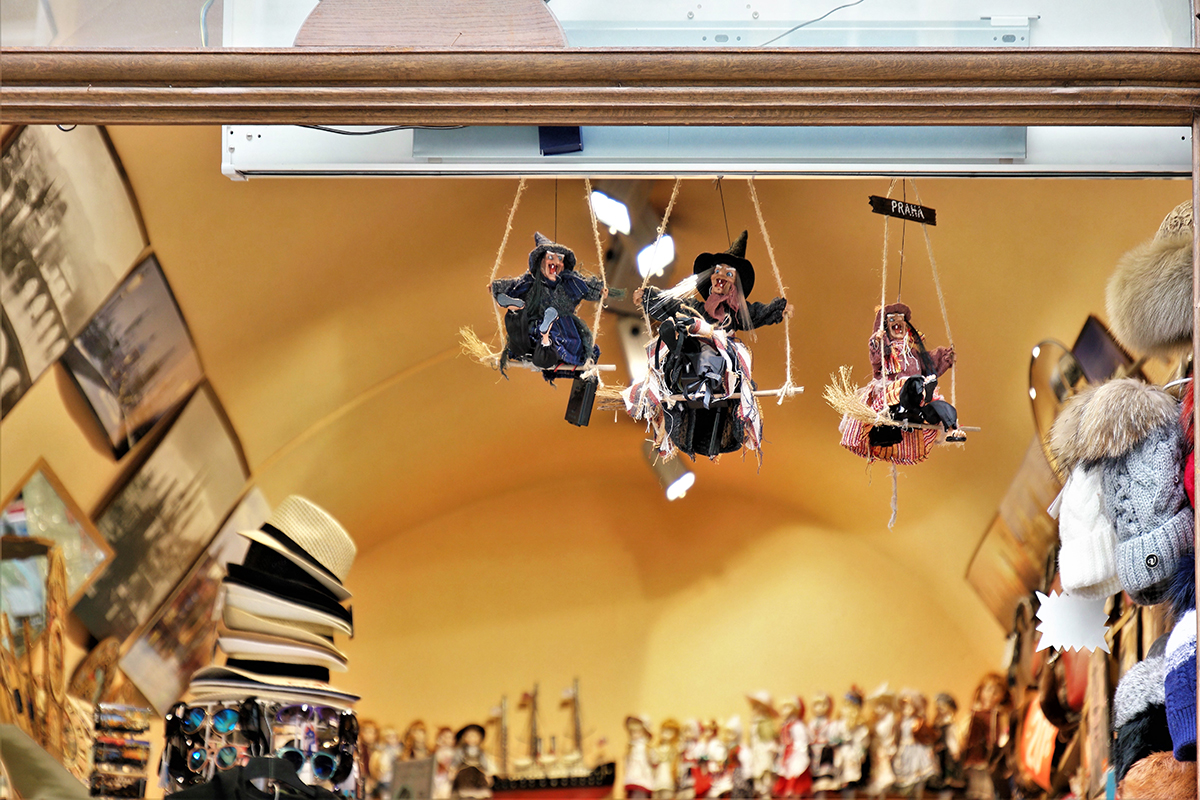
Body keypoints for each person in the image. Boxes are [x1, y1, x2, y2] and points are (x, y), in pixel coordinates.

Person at [625, 231, 793, 461]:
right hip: (694, 363)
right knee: (685, 345)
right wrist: (648, 297)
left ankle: (712, 414)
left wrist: (778, 310)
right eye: (717, 271)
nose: (720, 275)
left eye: (728, 273)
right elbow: (671, 305)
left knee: (723, 365)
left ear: (735, 283)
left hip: (723, 364)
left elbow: (758, 313)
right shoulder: (696, 309)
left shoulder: (737, 314)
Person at [839, 302, 963, 464]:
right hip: (892, 396)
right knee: (910, 383)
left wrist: (946, 357)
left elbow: (930, 363)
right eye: (892, 320)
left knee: (939, 405)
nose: (898, 323)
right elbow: (876, 356)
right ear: (885, 327)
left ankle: (952, 429)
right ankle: (908, 404)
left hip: (918, 399)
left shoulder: (913, 354)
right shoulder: (886, 352)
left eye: (901, 320)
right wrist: (878, 341)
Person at [490, 232, 614, 376]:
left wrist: (599, 290)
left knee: (523, 347)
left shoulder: (567, 281)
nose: (556, 262)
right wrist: (496, 287)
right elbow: (513, 284)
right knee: (556, 354)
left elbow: (586, 286)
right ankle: (541, 333)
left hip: (538, 330)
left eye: (560, 258)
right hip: (560, 332)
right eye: (550, 257)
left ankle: (517, 313)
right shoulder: (535, 282)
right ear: (541, 261)